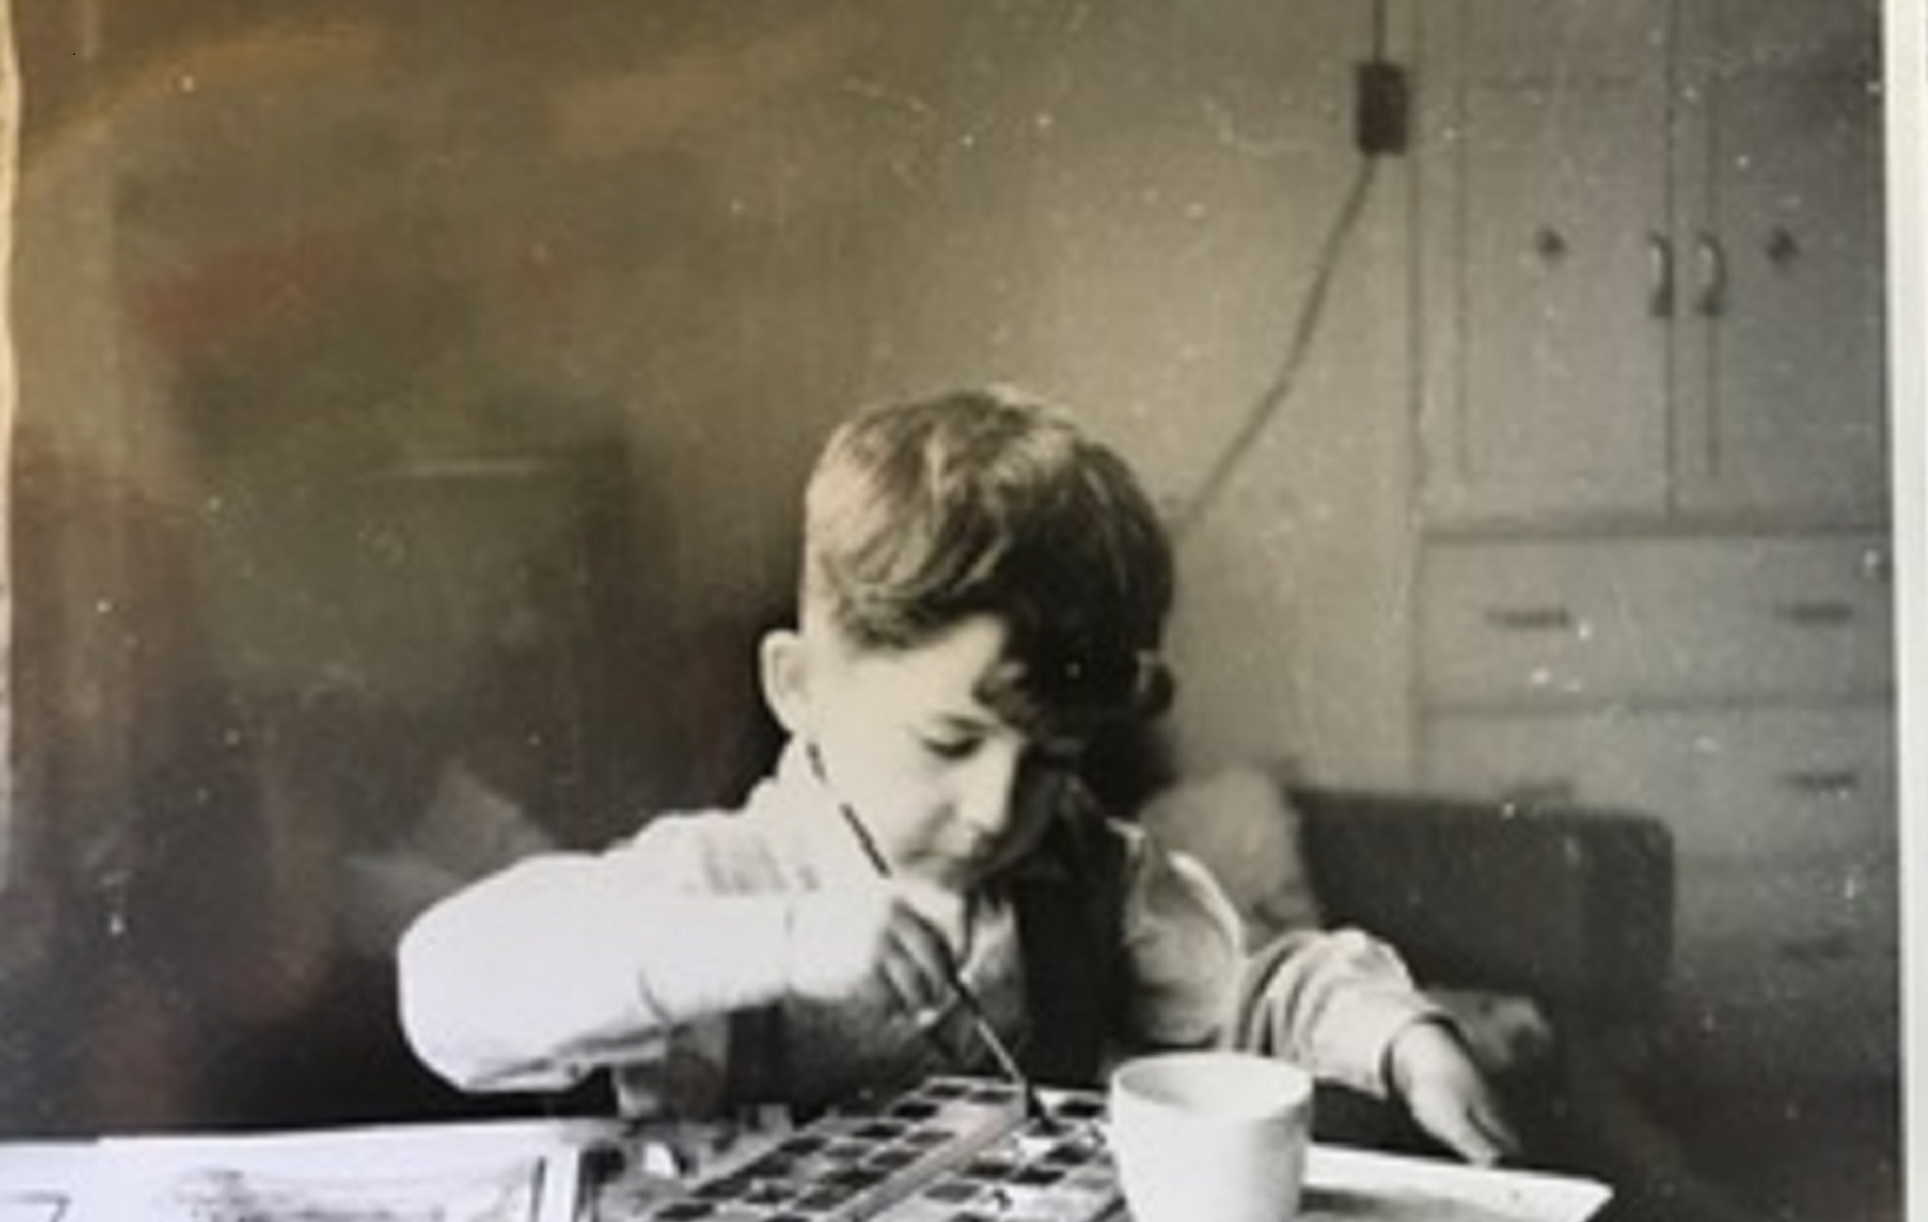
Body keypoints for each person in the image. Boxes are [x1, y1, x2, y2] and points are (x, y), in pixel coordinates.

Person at [397, 387, 1516, 1164]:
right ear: (797, 688)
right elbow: (446, 989)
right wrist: (780, 942)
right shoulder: (726, 883)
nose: (995, 812)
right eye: (946, 744)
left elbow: (1256, 988)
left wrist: (1398, 1035)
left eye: (1052, 761)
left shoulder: (1081, 874)